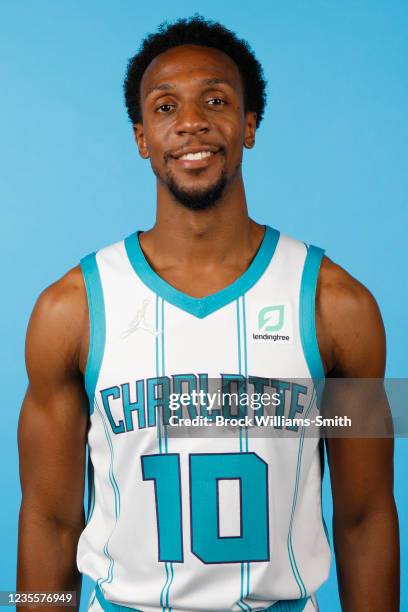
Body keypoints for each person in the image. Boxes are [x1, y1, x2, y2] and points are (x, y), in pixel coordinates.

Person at [17, 16, 399, 612]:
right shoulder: (69, 311)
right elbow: (48, 520)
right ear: (141, 136)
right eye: (165, 107)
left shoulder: (338, 305)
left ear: (249, 124)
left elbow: (365, 516)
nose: (191, 122)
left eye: (215, 100)